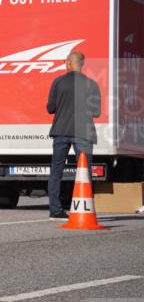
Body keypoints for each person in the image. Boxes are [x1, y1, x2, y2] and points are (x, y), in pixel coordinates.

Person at [47, 50, 101, 219]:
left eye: (66, 61)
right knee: (85, 172)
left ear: (69, 63)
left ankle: (55, 210)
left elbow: (50, 108)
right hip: (83, 133)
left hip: (61, 131)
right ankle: (85, 209)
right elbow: (96, 112)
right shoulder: (92, 84)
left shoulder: (58, 82)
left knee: (56, 171)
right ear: (81, 64)